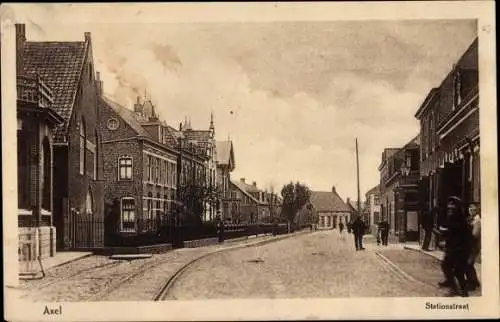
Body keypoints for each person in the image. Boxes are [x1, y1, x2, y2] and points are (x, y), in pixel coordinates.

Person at [438, 196, 472, 297]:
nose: (450, 209)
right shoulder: (451, 218)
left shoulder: (460, 219)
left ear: (457, 208)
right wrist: (444, 234)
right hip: (452, 249)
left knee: (458, 271)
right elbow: (450, 232)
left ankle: (460, 290)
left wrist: (445, 232)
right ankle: (454, 287)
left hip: (459, 249)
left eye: (452, 207)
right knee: (447, 266)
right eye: (449, 207)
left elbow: (460, 234)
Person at [465, 202, 481, 291]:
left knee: (468, 265)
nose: (471, 211)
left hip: (474, 246)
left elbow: (475, 235)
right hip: (470, 246)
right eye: (470, 209)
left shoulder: (477, 221)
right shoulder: (470, 219)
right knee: (469, 264)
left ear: (477, 210)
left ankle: (472, 285)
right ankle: (475, 281)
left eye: (473, 210)